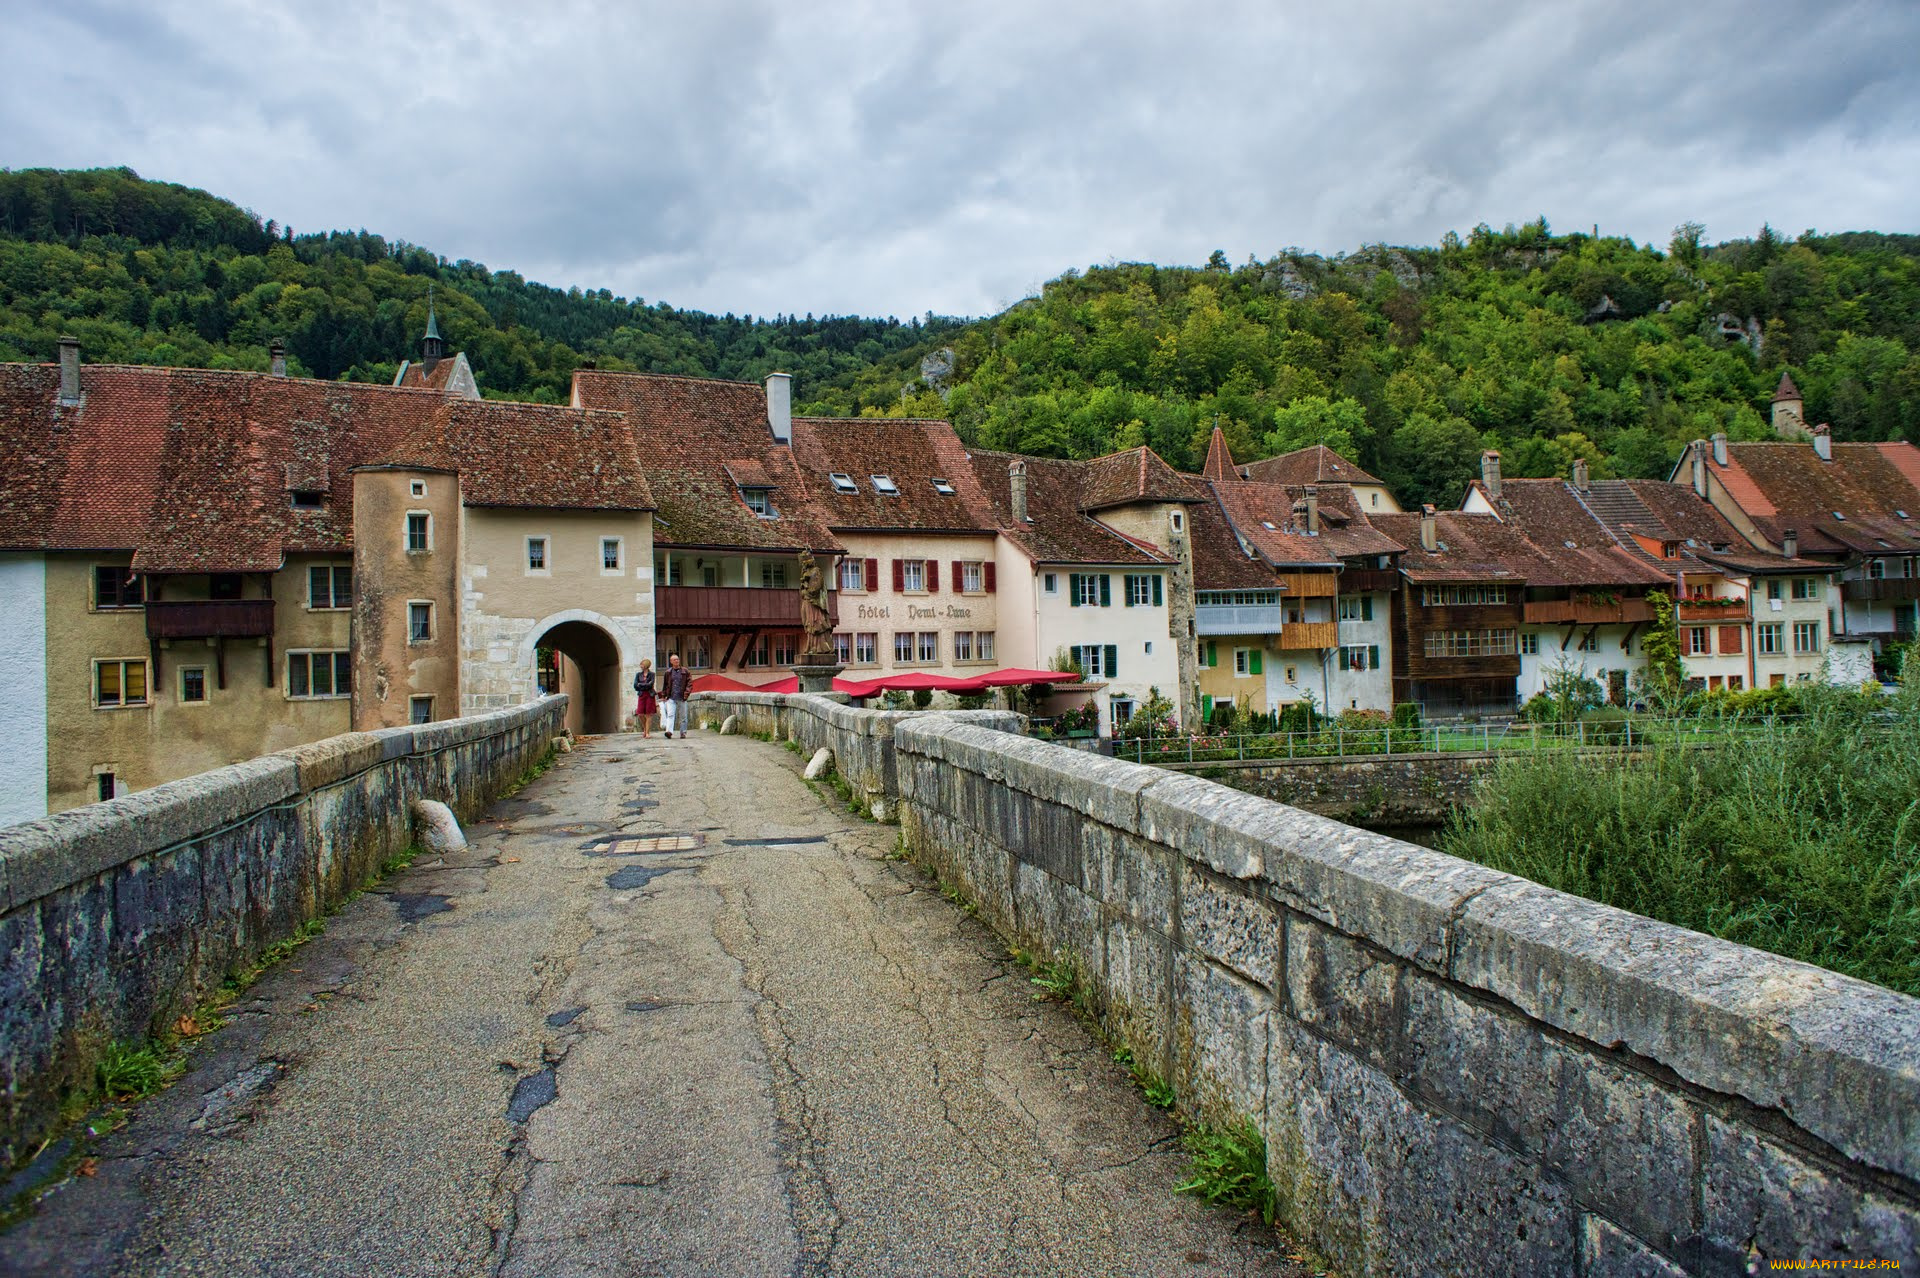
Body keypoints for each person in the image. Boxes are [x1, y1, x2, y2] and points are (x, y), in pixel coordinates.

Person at [660, 653, 694, 739]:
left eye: (677, 659)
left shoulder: (685, 671)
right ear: (671, 661)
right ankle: (669, 732)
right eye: (674, 660)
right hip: (671, 696)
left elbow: (689, 684)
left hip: (682, 697)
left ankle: (683, 732)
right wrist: (664, 695)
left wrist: (686, 693)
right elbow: (665, 685)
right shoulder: (668, 672)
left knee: (683, 716)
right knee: (670, 715)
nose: (676, 661)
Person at [632, 659, 658, 737]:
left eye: (642, 664)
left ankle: (647, 733)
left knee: (648, 714)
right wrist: (644, 685)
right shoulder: (638, 674)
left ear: (646, 665)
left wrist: (641, 684)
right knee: (640, 713)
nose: (640, 666)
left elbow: (650, 684)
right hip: (641, 694)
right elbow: (635, 685)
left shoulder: (652, 674)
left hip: (650, 695)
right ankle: (645, 728)